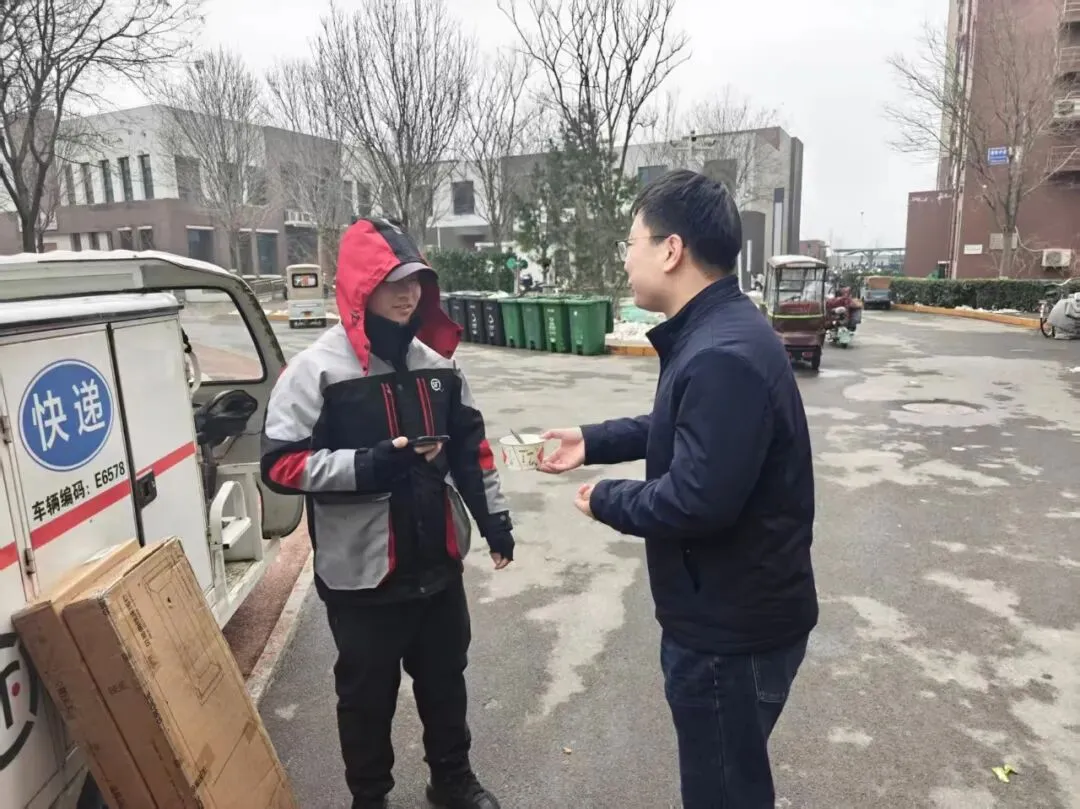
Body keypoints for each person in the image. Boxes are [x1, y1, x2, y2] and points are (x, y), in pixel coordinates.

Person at [540, 170, 818, 809]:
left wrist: (607, 498)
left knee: (723, 792)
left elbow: (697, 499)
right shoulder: (718, 333)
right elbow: (685, 427)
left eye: (631, 243)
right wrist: (593, 440)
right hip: (734, 615)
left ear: (671, 250)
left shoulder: (720, 353)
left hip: (729, 632)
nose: (626, 259)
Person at [261, 217, 515, 809]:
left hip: (437, 562)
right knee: (366, 697)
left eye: (417, 281)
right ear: (359, 288)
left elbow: (472, 452)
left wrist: (495, 522)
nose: (408, 295)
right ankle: (369, 797)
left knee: (445, 681)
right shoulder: (316, 372)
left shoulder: (439, 365)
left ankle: (451, 781)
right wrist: (367, 465)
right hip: (362, 573)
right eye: (392, 282)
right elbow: (279, 465)